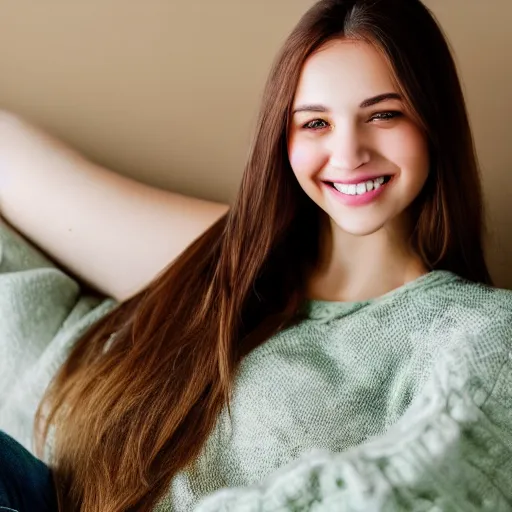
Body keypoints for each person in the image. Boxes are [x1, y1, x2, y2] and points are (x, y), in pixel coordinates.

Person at [0, 0, 511, 510]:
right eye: (315, 123)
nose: (350, 153)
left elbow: (425, 481)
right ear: (282, 137)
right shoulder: (230, 258)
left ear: (432, 122)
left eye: (384, 114)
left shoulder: (480, 331)